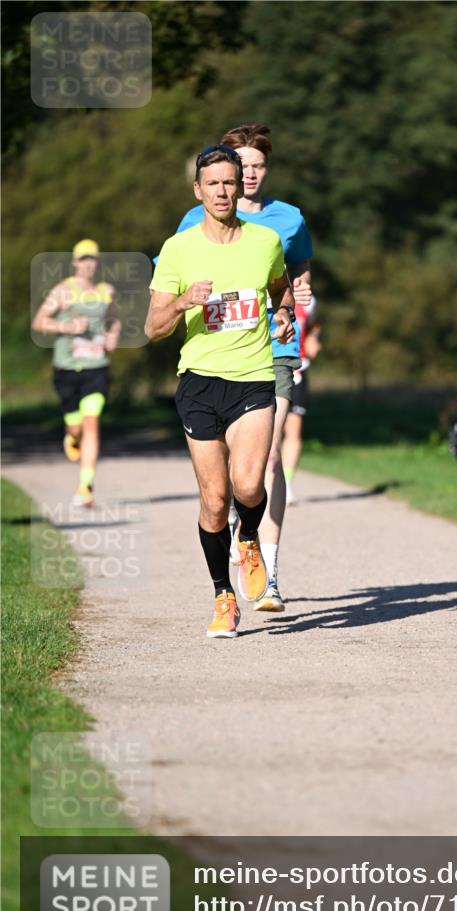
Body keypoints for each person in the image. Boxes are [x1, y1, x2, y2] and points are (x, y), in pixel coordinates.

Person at [145, 145, 296, 639]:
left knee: (249, 485)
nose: (222, 191)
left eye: (230, 182)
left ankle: (248, 537)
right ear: (198, 190)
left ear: (239, 185)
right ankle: (222, 597)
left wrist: (283, 312)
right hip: (199, 383)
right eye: (212, 184)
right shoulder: (178, 249)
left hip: (253, 376)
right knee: (214, 499)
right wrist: (183, 302)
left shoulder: (265, 241)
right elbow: (152, 327)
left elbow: (280, 286)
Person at [175, 124, 312, 614]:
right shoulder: (193, 220)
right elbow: (172, 278)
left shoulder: (288, 219)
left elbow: (294, 273)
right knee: (225, 485)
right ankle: (233, 535)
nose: (248, 175)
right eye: (241, 167)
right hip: (215, 360)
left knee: (267, 462)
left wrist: (296, 299)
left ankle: (267, 572)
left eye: (257, 166)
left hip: (273, 350)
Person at [32, 239, 120, 507]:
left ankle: (85, 487)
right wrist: (67, 327)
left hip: (96, 368)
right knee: (76, 426)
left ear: (97, 263)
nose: (87, 264)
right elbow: (39, 322)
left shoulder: (106, 291)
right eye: (83, 259)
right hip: (67, 369)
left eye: (92, 259)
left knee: (92, 422)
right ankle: (71, 435)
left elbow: (114, 320)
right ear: (74, 262)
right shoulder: (62, 291)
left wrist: (112, 336)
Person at [283, 296, 322, 507]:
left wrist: (313, 337)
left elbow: (313, 325)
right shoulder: (264, 289)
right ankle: (264, 480)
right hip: (269, 369)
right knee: (267, 430)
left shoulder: (308, 300)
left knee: (293, 429)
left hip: (298, 369)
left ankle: (286, 484)